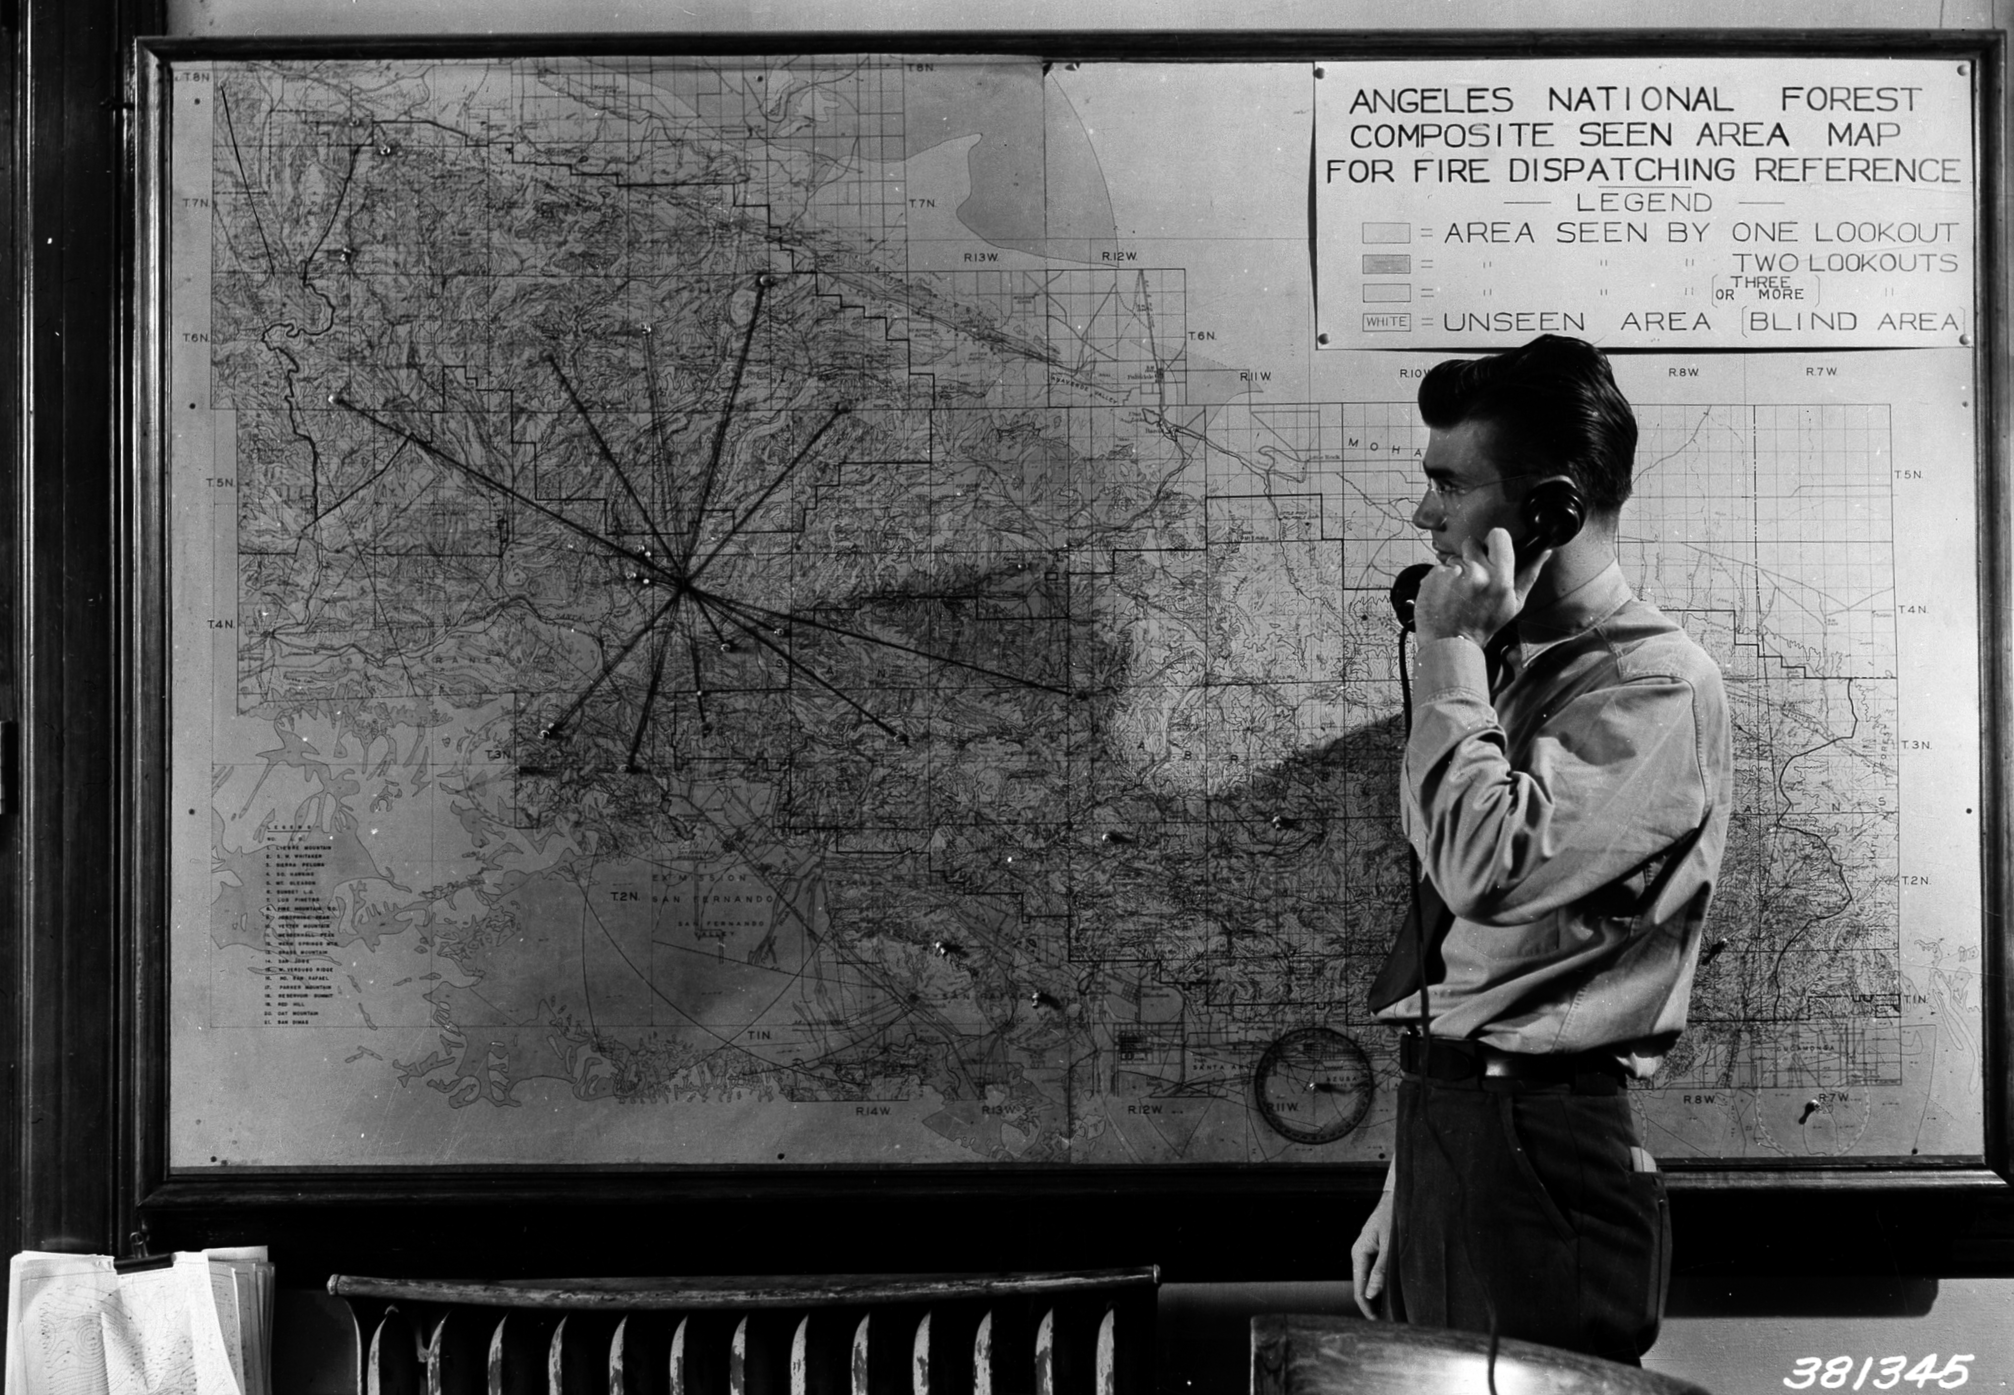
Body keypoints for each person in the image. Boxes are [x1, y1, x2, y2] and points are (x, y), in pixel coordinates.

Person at [1349, 335, 1734, 1364]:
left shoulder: (1652, 688)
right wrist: (1409, 1179)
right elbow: (1474, 959)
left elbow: (1485, 869)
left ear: (1549, 511)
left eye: (1448, 485)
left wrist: (1445, 650)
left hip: (1536, 1154)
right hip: (1456, 1129)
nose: (1424, 515)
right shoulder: (1510, 673)